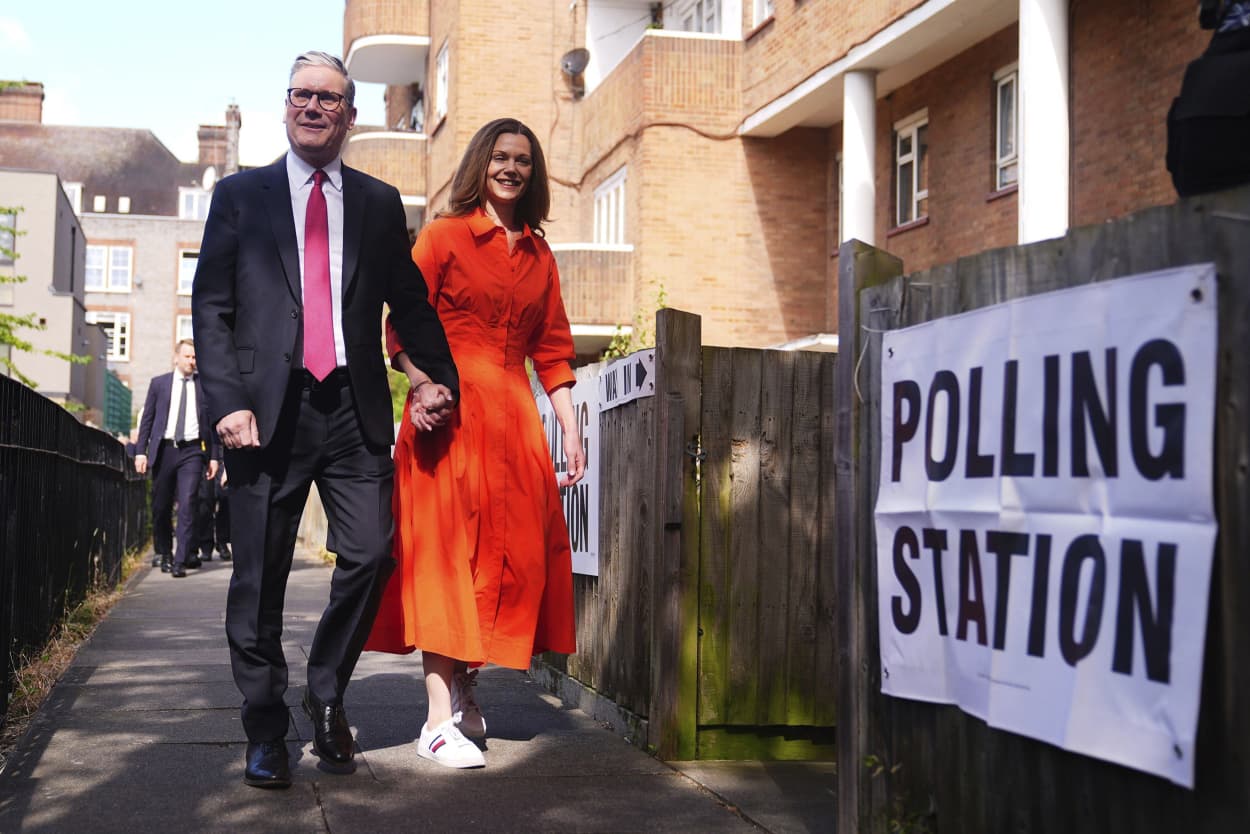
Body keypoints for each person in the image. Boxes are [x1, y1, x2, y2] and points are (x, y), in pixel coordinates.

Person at [192, 51, 458, 790]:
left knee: (372, 553)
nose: (314, 107)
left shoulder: (377, 202)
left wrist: (434, 378)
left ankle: (327, 691)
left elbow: (407, 302)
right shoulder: (240, 196)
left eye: (329, 99)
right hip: (264, 412)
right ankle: (266, 729)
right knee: (259, 577)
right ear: (286, 107)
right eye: (302, 95)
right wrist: (226, 402)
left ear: (350, 114)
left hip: (351, 405)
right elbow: (211, 306)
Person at [365, 118, 584, 769]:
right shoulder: (443, 235)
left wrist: (571, 430)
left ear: (532, 171)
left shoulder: (540, 255)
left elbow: (553, 351)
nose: (511, 168)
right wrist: (423, 386)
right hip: (448, 415)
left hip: (513, 423)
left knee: (503, 561)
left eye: (522, 159)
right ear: (480, 164)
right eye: (500, 157)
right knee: (444, 557)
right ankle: (435, 722)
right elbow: (400, 322)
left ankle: (464, 686)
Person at [134, 340, 221, 577]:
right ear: (176, 357)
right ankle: (164, 553)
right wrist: (141, 451)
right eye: (187, 357)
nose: (192, 361)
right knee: (161, 506)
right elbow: (147, 421)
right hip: (165, 450)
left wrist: (214, 457)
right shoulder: (159, 384)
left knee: (188, 502)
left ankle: (180, 560)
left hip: (192, 451)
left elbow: (213, 424)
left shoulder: (204, 386)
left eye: (194, 358)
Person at [193, 462, 232, 562]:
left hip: (223, 455)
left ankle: (222, 541)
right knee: (204, 501)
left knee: (225, 497)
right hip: (205, 458)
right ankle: (206, 545)